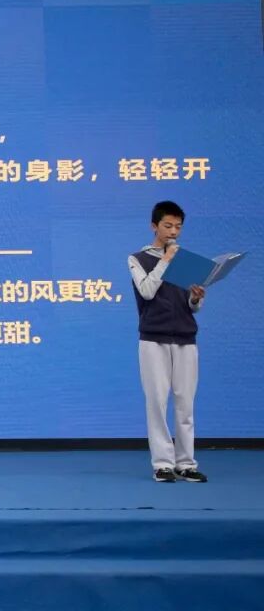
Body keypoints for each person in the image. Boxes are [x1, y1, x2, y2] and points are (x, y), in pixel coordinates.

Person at [128, 200, 208, 483]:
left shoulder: (186, 260)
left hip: (185, 338)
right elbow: (147, 291)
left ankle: (186, 463)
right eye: (168, 226)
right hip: (153, 339)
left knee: (185, 403)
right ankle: (163, 463)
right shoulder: (138, 259)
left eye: (178, 227)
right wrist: (166, 260)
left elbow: (191, 305)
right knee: (157, 402)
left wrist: (195, 298)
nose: (174, 231)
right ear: (154, 226)